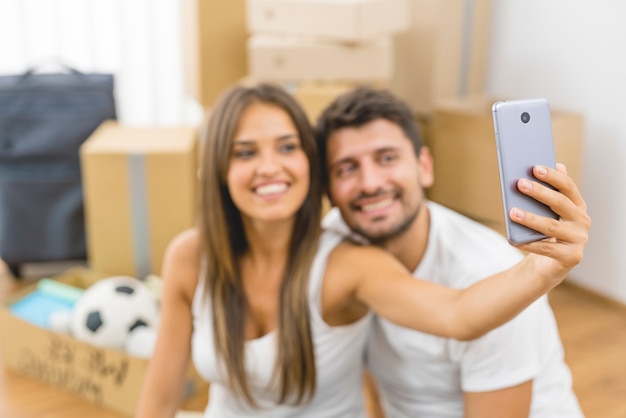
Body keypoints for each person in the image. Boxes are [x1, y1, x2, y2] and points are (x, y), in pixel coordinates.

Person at [136, 82, 589, 418]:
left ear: (424, 165)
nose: (370, 183)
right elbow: (158, 400)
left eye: (287, 147)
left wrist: (541, 271)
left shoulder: (355, 262)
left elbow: (458, 315)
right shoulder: (195, 256)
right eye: (244, 152)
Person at [315, 86, 590, 418]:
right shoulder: (337, 244)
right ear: (328, 190)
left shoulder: (492, 276)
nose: (370, 183)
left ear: (424, 167)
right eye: (347, 168)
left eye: (387, 158)